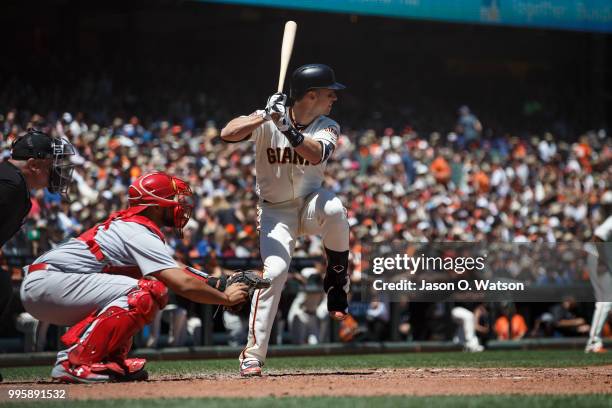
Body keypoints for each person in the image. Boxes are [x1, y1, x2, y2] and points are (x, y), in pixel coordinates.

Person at [20, 171, 249, 383]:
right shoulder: (138, 231)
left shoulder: (134, 227)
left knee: (141, 287)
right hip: (50, 283)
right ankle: (75, 361)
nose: (180, 206)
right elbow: (181, 283)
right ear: (156, 207)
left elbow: (176, 268)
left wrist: (219, 283)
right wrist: (225, 299)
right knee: (147, 291)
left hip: (52, 283)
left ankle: (106, 360)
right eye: (174, 200)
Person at [221, 64, 350, 376]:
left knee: (335, 209)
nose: (334, 97)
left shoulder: (327, 124)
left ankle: (335, 279)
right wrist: (264, 116)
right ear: (310, 95)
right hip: (276, 212)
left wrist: (287, 128)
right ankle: (252, 356)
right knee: (275, 272)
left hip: (310, 204)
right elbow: (227, 133)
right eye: (328, 92)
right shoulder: (269, 117)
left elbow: (317, 154)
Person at [0, 128, 75, 382]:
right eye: (50, 165)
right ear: (33, 164)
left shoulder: (12, 181)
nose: (56, 170)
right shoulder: (10, 185)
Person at [585, 191, 612, 353]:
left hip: (602, 260)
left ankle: (594, 341)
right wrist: (602, 261)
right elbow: (598, 237)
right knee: (605, 301)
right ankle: (594, 342)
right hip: (598, 260)